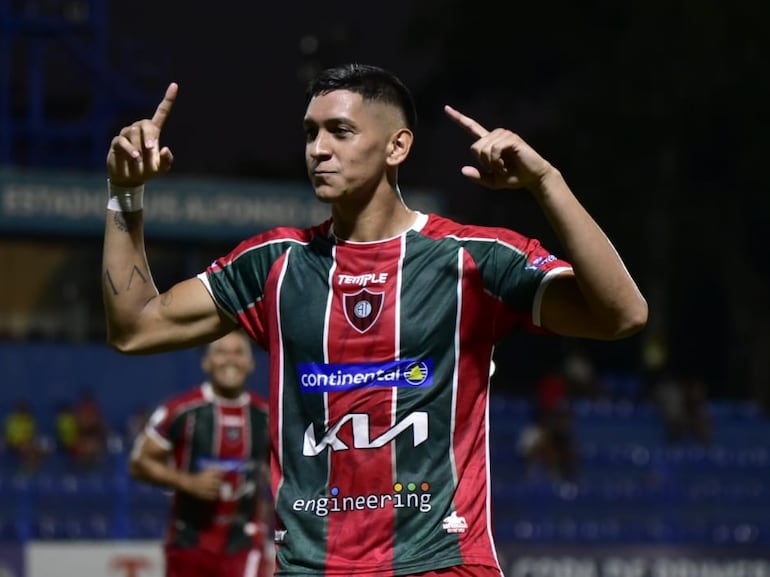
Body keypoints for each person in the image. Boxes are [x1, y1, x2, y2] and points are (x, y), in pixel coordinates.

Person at [103, 63, 647, 576]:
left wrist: (545, 182)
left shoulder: (472, 258)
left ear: (397, 145)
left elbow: (622, 314)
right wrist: (125, 195)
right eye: (311, 132)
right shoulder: (274, 264)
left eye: (340, 131)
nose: (318, 149)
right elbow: (136, 328)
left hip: (442, 561)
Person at [129, 329, 273, 577]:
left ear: (251, 364)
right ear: (206, 362)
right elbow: (138, 463)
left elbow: (278, 472)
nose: (230, 359)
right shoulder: (180, 411)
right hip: (189, 542)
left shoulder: (267, 416)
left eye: (238, 352)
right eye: (221, 352)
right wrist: (186, 481)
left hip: (245, 542)